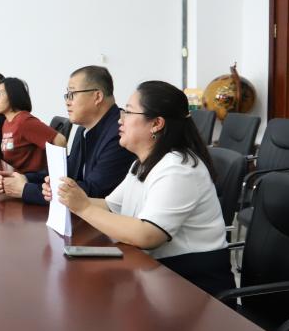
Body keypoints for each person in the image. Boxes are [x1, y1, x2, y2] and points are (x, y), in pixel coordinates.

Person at [47, 80, 232, 295]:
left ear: (156, 123)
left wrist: (83, 207)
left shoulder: (178, 169)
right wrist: (67, 196)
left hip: (194, 288)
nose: (120, 119)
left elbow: (148, 235)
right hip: (157, 276)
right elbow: (110, 205)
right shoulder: (143, 163)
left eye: (128, 112)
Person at [0, 66, 134, 204]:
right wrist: (26, 178)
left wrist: (25, 190)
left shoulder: (120, 134)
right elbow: (68, 170)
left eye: (72, 94)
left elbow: (93, 192)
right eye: (67, 95)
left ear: (97, 96)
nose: (67, 101)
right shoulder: (84, 130)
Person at [0, 77, 66, 173]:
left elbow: (60, 140)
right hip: (13, 175)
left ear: (13, 95)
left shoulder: (24, 122)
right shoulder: (6, 122)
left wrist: (56, 175)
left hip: (28, 179)